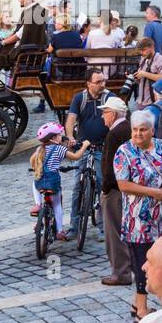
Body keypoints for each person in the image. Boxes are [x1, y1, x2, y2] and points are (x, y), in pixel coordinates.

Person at [113, 111, 162, 323]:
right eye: (135, 130)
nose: (138, 134)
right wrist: (154, 193)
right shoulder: (124, 151)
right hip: (138, 220)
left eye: (143, 130)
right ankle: (141, 309)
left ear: (152, 130)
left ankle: (138, 304)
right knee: (144, 264)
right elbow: (123, 185)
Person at [30, 121, 91, 240]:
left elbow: (33, 161)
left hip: (40, 183)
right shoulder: (59, 149)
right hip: (53, 182)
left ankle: (38, 204)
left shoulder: (39, 149)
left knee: (34, 181)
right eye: (59, 135)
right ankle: (59, 231)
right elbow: (76, 156)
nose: (61, 137)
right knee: (57, 205)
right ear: (53, 138)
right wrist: (85, 145)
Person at [65, 71, 109, 234]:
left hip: (101, 147)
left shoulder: (108, 97)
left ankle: (102, 226)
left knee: (102, 185)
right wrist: (70, 137)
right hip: (83, 147)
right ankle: (74, 226)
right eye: (98, 82)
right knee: (77, 186)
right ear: (88, 83)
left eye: (103, 81)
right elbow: (71, 120)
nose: (102, 84)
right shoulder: (80, 98)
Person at [99, 97, 134, 287]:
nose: (103, 116)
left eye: (104, 112)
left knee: (114, 231)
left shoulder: (114, 133)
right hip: (129, 187)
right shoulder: (129, 127)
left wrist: (105, 189)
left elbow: (109, 166)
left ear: (113, 114)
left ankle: (121, 272)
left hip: (115, 190)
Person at [131, 36, 162, 106]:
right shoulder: (143, 59)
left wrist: (144, 74)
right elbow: (141, 78)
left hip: (154, 103)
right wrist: (135, 76)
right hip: (140, 101)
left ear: (152, 47)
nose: (141, 53)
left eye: (144, 50)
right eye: (140, 51)